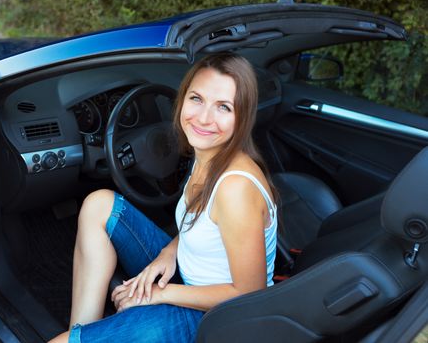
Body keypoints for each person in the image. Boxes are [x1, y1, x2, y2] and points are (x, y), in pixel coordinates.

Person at [49, 53, 278, 343]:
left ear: (243, 116)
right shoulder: (209, 153)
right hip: (189, 275)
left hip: (218, 317)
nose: (204, 118)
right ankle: (83, 332)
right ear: (182, 99)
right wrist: (167, 254)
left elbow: (249, 294)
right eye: (196, 99)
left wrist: (160, 294)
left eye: (223, 107)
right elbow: (205, 227)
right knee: (99, 203)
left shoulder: (235, 188)